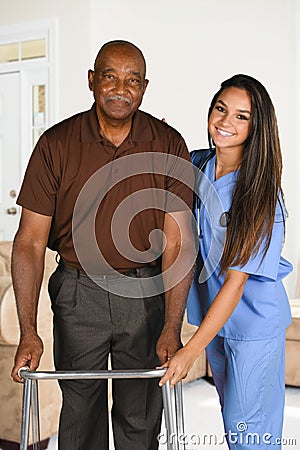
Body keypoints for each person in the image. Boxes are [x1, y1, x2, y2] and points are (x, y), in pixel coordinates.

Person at [11, 40, 196, 450]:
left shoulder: (168, 142)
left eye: (132, 80)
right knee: (80, 416)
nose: (120, 88)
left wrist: (171, 325)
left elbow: (179, 241)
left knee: (141, 416)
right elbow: (29, 242)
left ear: (144, 88)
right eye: (110, 76)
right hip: (79, 293)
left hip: (145, 294)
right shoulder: (55, 144)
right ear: (92, 80)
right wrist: (28, 331)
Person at [159, 74, 293, 449]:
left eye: (241, 117)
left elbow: (236, 282)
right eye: (221, 109)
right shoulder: (200, 166)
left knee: (248, 430)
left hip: (253, 326)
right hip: (215, 321)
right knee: (234, 425)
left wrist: (190, 351)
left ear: (256, 127)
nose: (225, 122)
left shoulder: (261, 194)